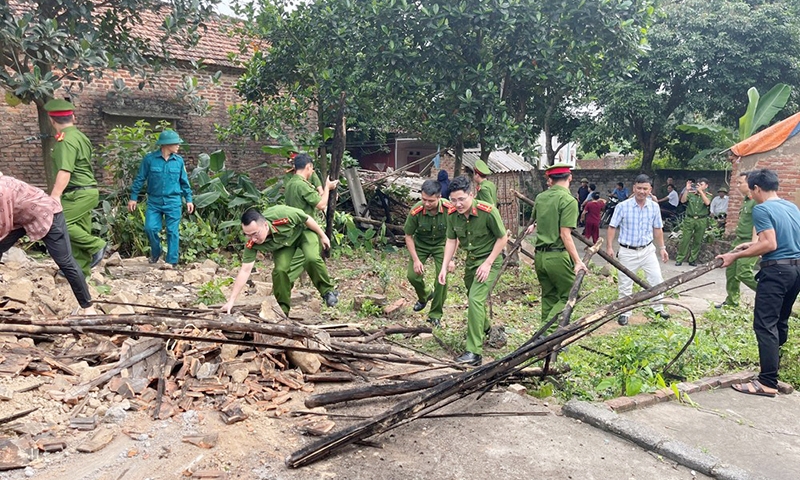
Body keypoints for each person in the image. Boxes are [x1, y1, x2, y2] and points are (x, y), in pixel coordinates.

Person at [717, 169, 800, 398]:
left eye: (750, 190)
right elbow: (778, 240)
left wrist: (734, 256)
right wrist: (750, 246)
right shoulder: (790, 207)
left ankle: (767, 382)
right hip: (796, 269)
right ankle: (773, 371)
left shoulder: (762, 209)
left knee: (765, 325)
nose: (750, 195)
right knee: (780, 322)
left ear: (756, 188)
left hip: (776, 272)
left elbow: (770, 244)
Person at [0, 173, 97, 314]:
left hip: (48, 214)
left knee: (65, 261)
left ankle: (89, 308)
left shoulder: (2, 191)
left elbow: (3, 225)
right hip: (24, 218)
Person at [438, 176, 507, 366]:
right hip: (471, 261)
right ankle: (487, 328)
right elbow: (451, 240)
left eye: (462, 199)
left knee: (475, 299)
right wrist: (444, 265)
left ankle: (474, 352)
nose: (458, 204)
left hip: (489, 260)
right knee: (473, 295)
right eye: (453, 200)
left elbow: (502, 239)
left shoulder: (488, 211)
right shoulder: (452, 214)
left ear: (472, 194)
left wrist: (488, 263)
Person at [221, 207, 336, 315]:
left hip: (303, 233)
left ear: (265, 225)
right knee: (280, 271)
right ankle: (282, 311)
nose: (253, 239)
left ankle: (328, 292)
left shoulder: (281, 215)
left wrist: (323, 236)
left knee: (311, 258)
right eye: (248, 235)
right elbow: (245, 271)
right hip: (284, 246)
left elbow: (306, 218)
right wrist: (231, 300)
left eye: (255, 234)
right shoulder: (251, 244)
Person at [44, 99, 106, 277]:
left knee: (57, 225)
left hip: (77, 192)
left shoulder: (66, 141)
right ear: (74, 117)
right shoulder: (80, 137)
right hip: (87, 191)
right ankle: (81, 271)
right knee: (81, 228)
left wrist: (55, 196)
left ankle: (97, 245)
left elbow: (65, 170)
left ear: (52, 120)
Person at [525, 164, 588, 325]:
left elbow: (536, 220)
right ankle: (547, 335)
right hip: (557, 256)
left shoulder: (540, 197)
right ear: (570, 177)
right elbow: (565, 235)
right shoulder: (568, 200)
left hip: (539, 256)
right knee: (569, 295)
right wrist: (577, 261)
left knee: (549, 297)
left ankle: (542, 339)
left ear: (550, 180)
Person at [606, 174, 670, 326]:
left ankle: (658, 308)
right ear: (634, 188)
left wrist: (662, 248)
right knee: (625, 282)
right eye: (639, 188)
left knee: (656, 279)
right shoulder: (622, 206)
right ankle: (624, 312)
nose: (642, 191)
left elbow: (658, 229)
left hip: (648, 250)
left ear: (650, 190)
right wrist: (609, 246)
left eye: (645, 189)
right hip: (627, 251)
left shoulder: (654, 207)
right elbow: (612, 226)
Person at [128, 130, 194, 266]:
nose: (178, 146)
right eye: (176, 143)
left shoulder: (179, 161)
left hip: (173, 201)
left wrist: (189, 199)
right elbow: (140, 179)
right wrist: (133, 197)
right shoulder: (150, 160)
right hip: (154, 201)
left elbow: (184, 182)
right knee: (150, 228)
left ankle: (172, 262)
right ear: (166, 144)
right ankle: (156, 252)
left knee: (172, 231)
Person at [283, 153, 339, 307]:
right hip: (305, 230)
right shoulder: (302, 185)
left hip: (293, 230)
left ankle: (327, 292)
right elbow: (321, 205)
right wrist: (327, 187)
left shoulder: (290, 184)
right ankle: (327, 292)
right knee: (310, 260)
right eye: (311, 169)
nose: (312, 172)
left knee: (306, 260)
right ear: (308, 167)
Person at [405, 179, 455, 326]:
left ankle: (435, 315)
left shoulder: (449, 209)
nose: (426, 204)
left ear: (439, 197)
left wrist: (451, 258)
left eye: (430, 201)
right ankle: (425, 295)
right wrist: (415, 260)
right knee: (412, 276)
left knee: (442, 279)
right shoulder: (416, 211)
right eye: (424, 199)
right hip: (421, 245)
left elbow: (454, 235)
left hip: (441, 245)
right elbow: (408, 235)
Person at [717, 172, 758, 309]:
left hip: (750, 241)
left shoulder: (756, 202)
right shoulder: (746, 200)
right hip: (739, 240)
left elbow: (757, 224)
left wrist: (754, 244)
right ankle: (732, 301)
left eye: (740, 183)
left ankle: (770, 295)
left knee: (744, 273)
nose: (738, 185)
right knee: (731, 272)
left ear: (750, 184)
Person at [675, 177, 711, 266]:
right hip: (690, 218)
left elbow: (707, 203)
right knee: (685, 239)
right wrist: (687, 190)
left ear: (706, 186)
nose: (699, 186)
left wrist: (701, 192)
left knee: (698, 240)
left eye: (701, 185)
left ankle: (692, 259)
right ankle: (680, 259)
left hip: (701, 219)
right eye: (698, 185)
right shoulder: (691, 194)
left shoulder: (708, 195)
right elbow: (683, 200)